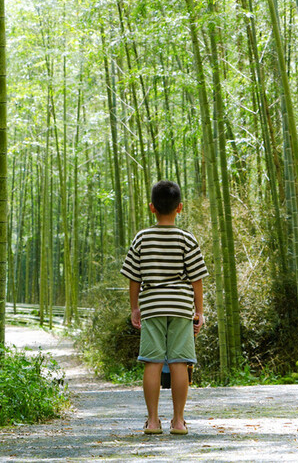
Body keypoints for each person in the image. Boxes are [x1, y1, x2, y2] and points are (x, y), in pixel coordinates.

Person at [120, 180, 208, 436]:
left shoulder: (141, 238)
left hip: (152, 306)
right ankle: (179, 421)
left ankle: (153, 421)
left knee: (152, 362)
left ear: (152, 208)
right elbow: (196, 278)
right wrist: (199, 311)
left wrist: (135, 308)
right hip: (181, 307)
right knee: (180, 362)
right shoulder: (186, 239)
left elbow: (134, 277)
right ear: (179, 208)